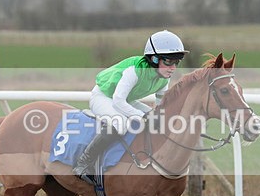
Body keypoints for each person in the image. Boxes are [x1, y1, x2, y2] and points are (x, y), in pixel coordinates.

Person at [72, 29, 188, 178]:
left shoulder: (164, 78)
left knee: (156, 118)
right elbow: (118, 101)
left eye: (176, 62)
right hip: (103, 97)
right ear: (153, 59)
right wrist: (142, 117)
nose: (173, 68)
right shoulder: (134, 70)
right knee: (120, 123)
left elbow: (160, 107)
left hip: (125, 100)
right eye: (168, 61)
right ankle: (83, 162)